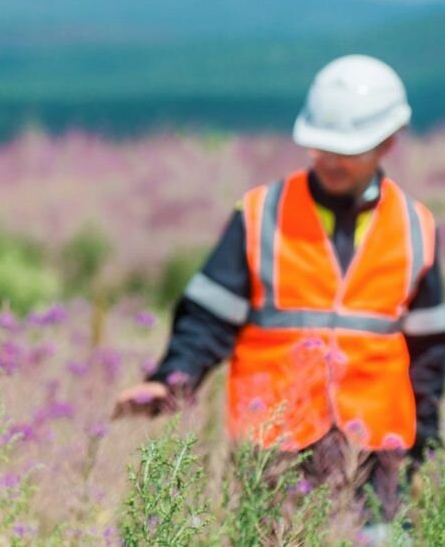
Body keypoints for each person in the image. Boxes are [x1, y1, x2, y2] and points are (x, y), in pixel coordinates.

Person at [113, 55, 445, 520]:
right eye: (320, 146)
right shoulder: (260, 213)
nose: (329, 159)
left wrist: (422, 448)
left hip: (377, 452)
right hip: (274, 446)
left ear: (388, 142)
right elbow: (207, 318)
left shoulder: (416, 226)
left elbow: (429, 355)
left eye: (346, 150)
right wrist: (170, 380)